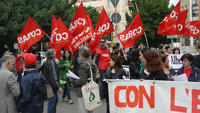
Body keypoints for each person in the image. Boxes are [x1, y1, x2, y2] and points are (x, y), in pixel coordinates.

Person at [70, 47, 97, 113]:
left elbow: (82, 81)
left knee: (83, 109)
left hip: (83, 91)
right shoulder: (92, 63)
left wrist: (73, 81)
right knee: (90, 109)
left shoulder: (83, 66)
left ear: (81, 55)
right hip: (91, 89)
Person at [40, 49, 62, 113]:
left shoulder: (47, 61)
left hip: (49, 85)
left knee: (53, 102)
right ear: (53, 55)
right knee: (52, 104)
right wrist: (58, 87)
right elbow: (53, 76)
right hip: (51, 87)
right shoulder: (51, 62)